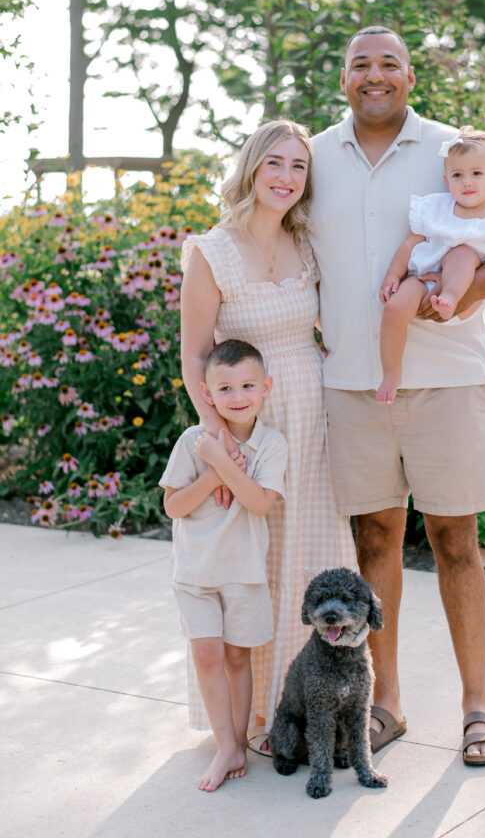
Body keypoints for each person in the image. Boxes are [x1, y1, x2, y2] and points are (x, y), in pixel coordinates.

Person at [309, 25, 485, 765]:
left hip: (449, 380)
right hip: (352, 382)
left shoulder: (455, 151)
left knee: (454, 541)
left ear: (410, 77)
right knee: (374, 539)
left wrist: (460, 295)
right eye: (359, 64)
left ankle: (476, 706)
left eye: (388, 64)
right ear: (342, 77)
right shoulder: (310, 157)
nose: (374, 75)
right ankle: (386, 703)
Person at [179, 119, 357, 754]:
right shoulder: (212, 250)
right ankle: (259, 714)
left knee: (311, 548)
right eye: (275, 163)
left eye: (299, 167)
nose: (287, 177)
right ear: (252, 167)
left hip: (312, 413)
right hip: (248, 422)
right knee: (257, 557)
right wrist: (218, 440)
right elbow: (195, 354)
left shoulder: (306, 244)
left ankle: (318, 705)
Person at [161, 339, 287, 791]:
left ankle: (237, 742)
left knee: (238, 656)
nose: (238, 397)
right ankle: (226, 747)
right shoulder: (193, 442)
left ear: (266, 387)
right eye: (226, 388)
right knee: (207, 653)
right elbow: (173, 506)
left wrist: (225, 464)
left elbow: (257, 503)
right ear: (207, 394)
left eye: (248, 385)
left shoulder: (272, 446)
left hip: (244, 571)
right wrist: (213, 470)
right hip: (195, 572)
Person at [376, 125, 485, 404]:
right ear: (446, 179)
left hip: (462, 280)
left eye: (477, 174)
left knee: (463, 253)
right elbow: (410, 242)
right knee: (393, 309)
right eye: (457, 175)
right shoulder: (435, 207)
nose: (467, 182)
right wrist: (393, 275)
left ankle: (448, 298)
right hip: (421, 276)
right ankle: (391, 373)